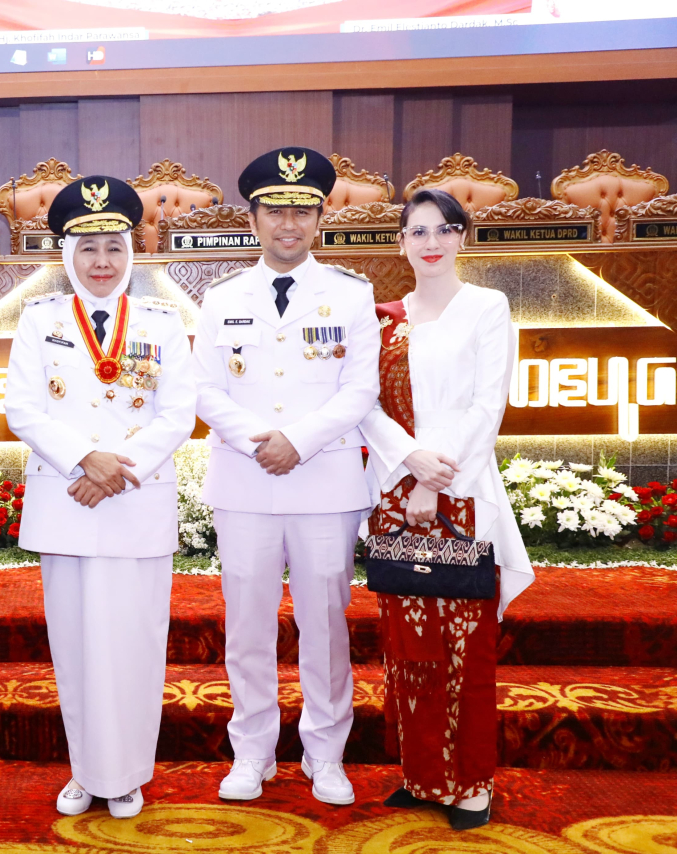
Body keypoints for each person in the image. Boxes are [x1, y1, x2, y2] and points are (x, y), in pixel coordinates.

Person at [5, 177, 196, 819]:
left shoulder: (163, 323)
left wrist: (119, 467)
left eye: (114, 246)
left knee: (136, 644)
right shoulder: (40, 321)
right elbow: (23, 407)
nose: (102, 262)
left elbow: (179, 412)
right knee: (77, 647)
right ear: (67, 255)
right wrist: (86, 459)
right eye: (88, 249)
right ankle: (86, 771)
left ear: (131, 251)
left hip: (134, 501)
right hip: (69, 499)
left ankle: (129, 775)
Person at [193, 148, 380, 806]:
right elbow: (204, 390)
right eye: (276, 210)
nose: (289, 223)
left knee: (325, 625)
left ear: (321, 217)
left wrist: (296, 442)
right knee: (245, 624)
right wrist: (257, 442)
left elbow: (359, 392)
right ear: (253, 219)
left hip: (323, 484)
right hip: (244, 484)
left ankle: (324, 753)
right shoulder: (221, 299)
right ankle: (253, 753)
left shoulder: (352, 297)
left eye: (303, 210)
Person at [359, 188, 534, 831]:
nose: (430, 243)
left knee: (466, 642)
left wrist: (435, 477)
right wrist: (408, 463)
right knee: (409, 644)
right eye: (417, 232)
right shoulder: (381, 318)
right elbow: (365, 403)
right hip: (395, 491)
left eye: (443, 230)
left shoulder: (487, 307)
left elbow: (487, 406)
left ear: (462, 236)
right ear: (401, 242)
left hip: (459, 491)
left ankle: (472, 784)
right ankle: (422, 775)